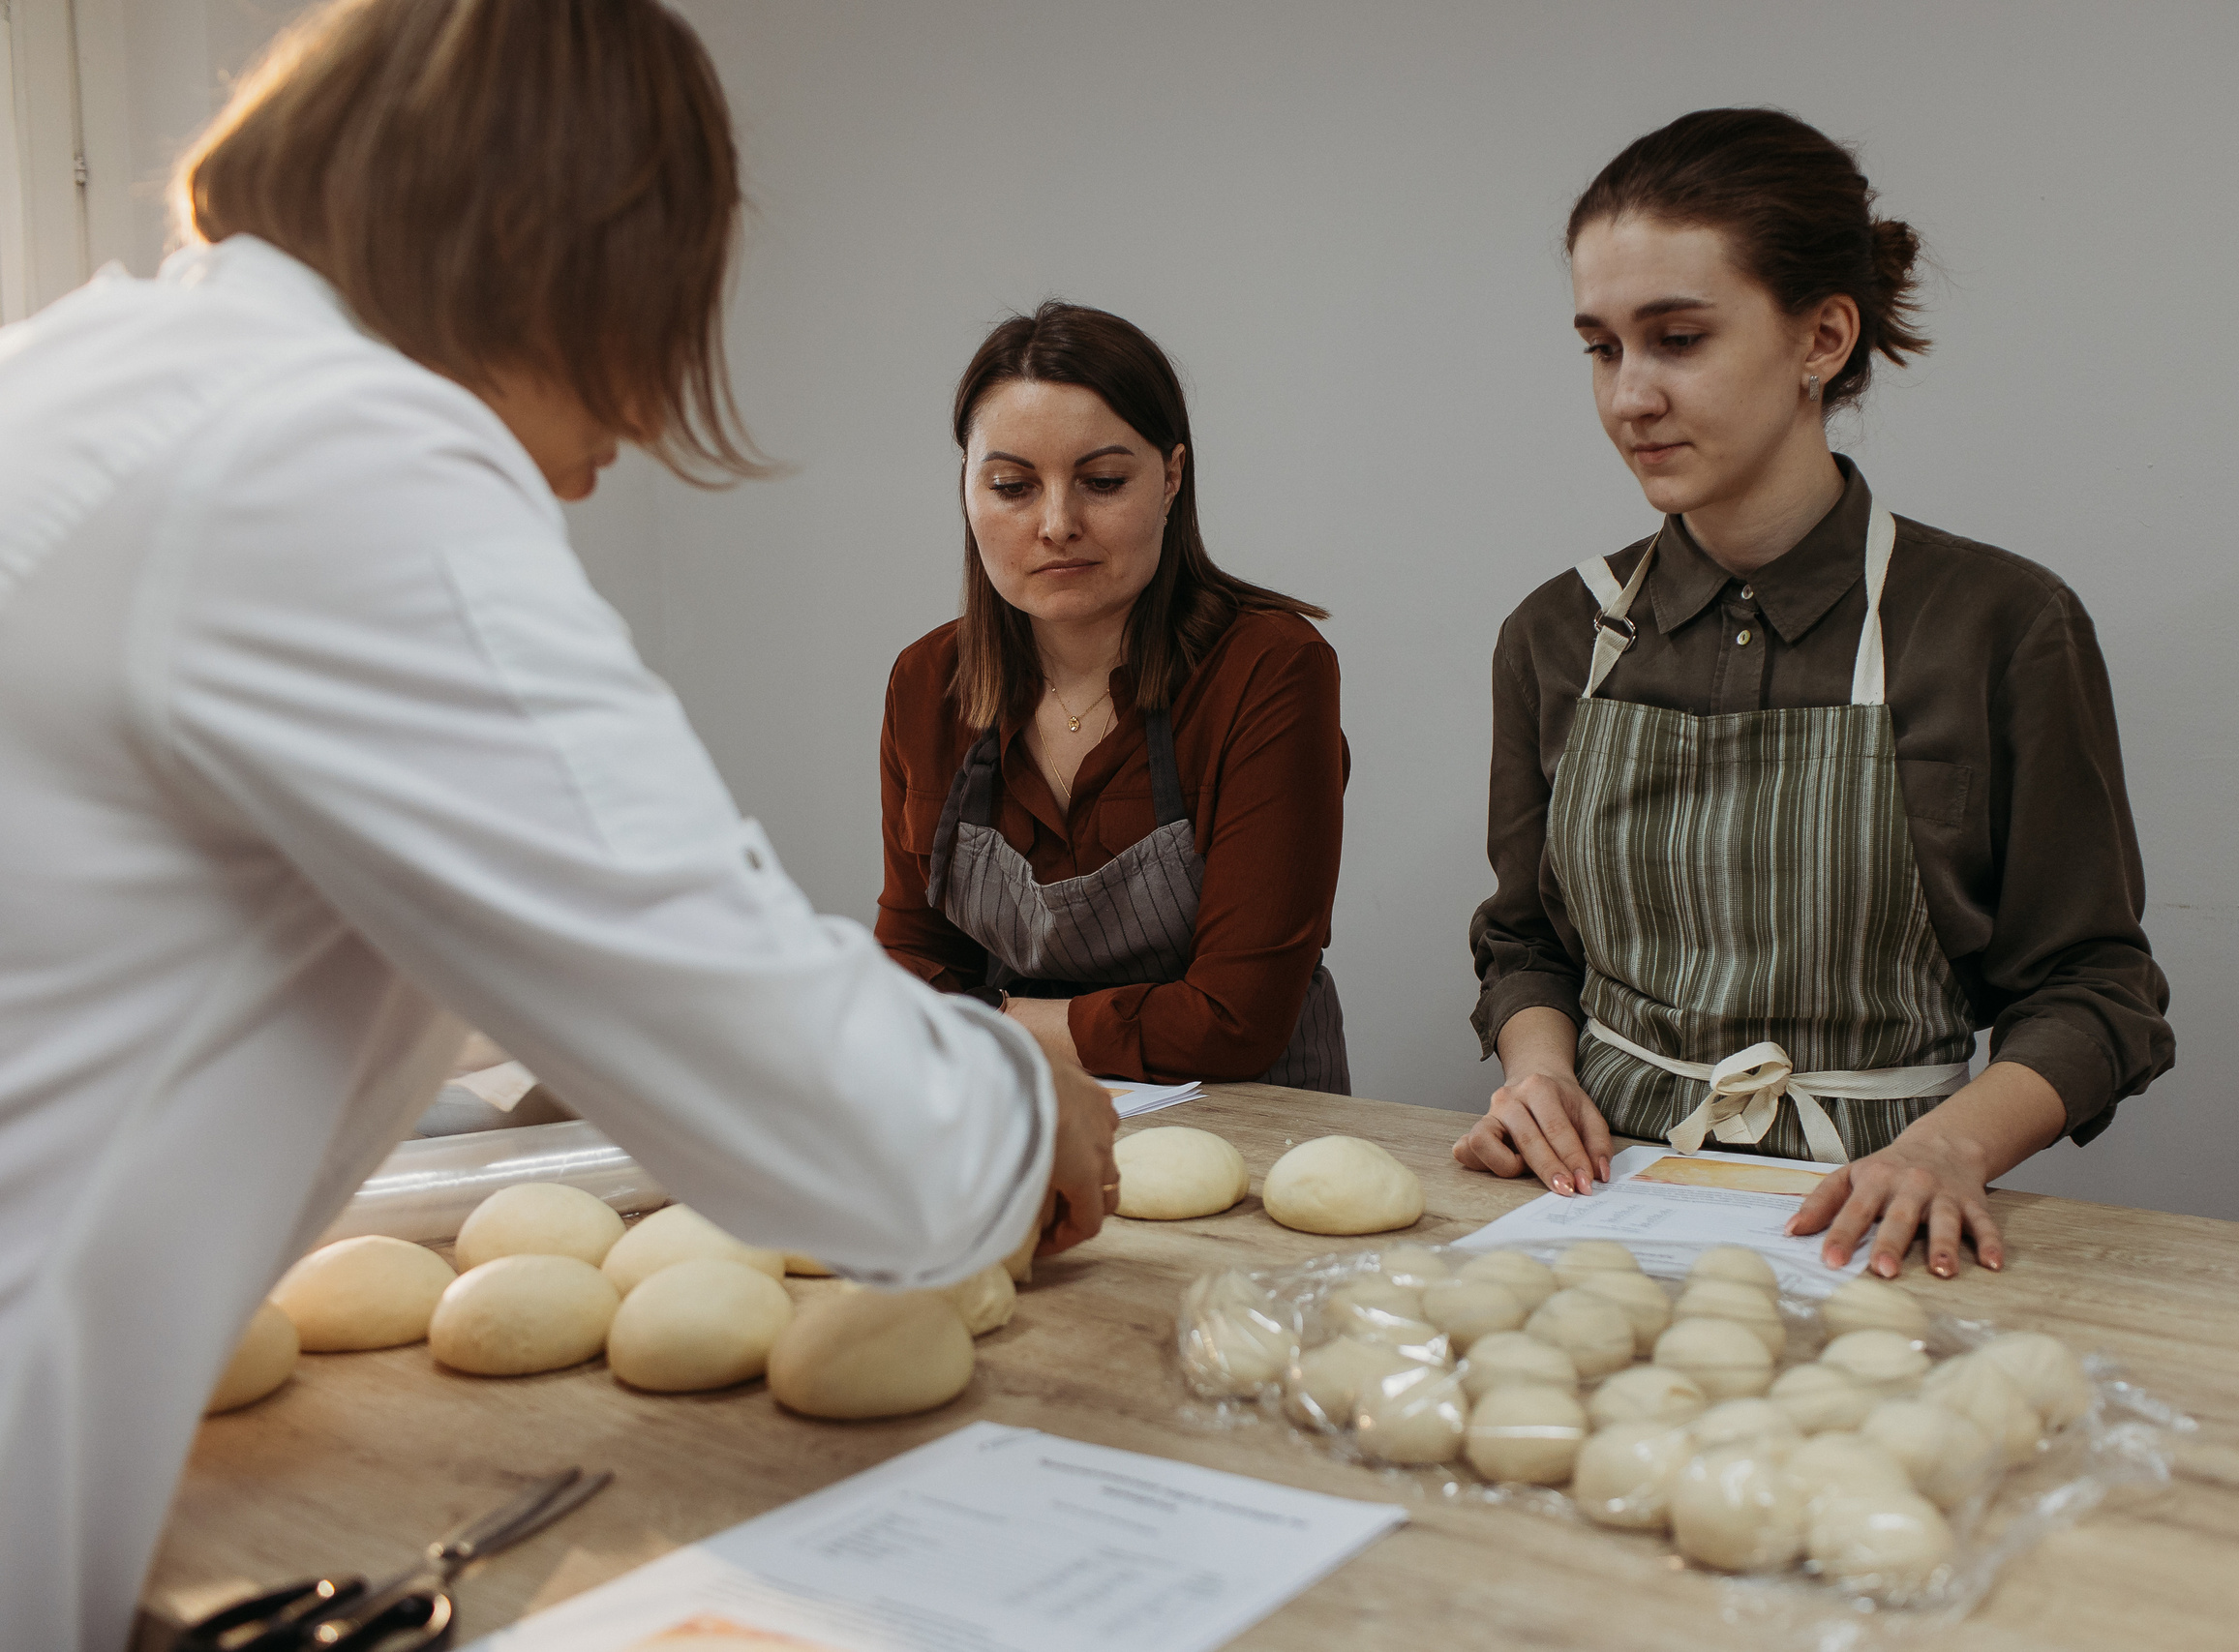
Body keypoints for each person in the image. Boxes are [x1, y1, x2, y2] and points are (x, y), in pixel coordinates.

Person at [0, 4, 1115, 1646]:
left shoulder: (86, 373)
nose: (617, 457)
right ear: (577, 258)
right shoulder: (332, 459)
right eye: (655, 335)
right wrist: (1017, 1101)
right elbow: (809, 1101)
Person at [1459, 109, 2172, 1279]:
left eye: (1677, 338)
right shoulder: (1557, 632)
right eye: (1601, 347)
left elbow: (2098, 990)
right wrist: (1536, 1074)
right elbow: (1525, 941)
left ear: (1822, 338)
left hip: (1876, 1225)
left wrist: (1948, 1149)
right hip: (1596, 1213)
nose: (1627, 396)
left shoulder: (1995, 623)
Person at [875, 303, 1351, 1092]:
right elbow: (909, 964)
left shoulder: (1271, 668)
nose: (1058, 523)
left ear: (1170, 477)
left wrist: (984, 1020)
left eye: (1101, 481)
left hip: (1252, 1120)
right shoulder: (928, 683)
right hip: (1017, 1116)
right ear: (966, 490)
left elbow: (1234, 1020)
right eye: (1012, 485)